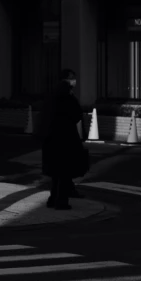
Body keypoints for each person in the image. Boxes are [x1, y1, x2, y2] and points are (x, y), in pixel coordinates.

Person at [41, 68, 88, 210]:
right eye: (72, 78)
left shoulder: (51, 95)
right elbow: (76, 115)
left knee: (56, 172)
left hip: (51, 138)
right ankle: (61, 201)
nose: (74, 81)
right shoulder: (68, 97)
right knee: (65, 171)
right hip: (66, 138)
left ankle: (52, 199)